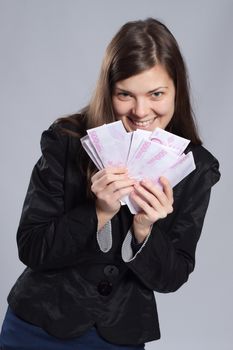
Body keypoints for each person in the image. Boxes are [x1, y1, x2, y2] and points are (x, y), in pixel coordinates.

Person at [0, 18, 220, 350]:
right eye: (125, 95)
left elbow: (172, 277)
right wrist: (98, 212)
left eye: (156, 93)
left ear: (177, 89)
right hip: (38, 324)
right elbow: (31, 247)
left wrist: (145, 229)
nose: (140, 110)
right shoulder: (67, 140)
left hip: (120, 333)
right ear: (110, 90)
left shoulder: (196, 167)